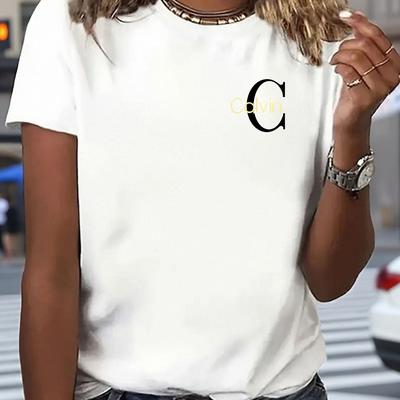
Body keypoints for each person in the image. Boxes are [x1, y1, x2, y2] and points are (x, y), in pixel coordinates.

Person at [4, 0, 400, 399]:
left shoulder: (323, 36)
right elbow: (51, 273)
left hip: (282, 391)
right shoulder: (72, 21)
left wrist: (353, 131)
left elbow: (330, 280)